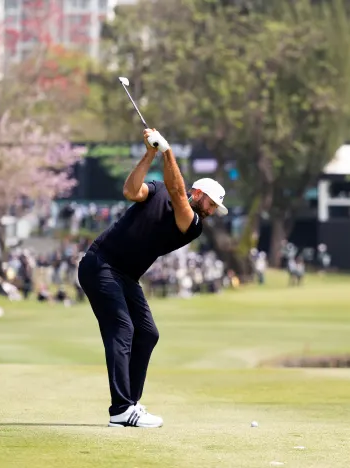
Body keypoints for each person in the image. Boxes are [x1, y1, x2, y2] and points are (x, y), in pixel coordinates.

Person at [78, 128, 228, 428]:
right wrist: (150, 153)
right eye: (211, 203)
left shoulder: (193, 223)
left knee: (147, 333)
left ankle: (130, 403)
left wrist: (167, 151)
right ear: (198, 193)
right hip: (101, 264)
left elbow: (176, 193)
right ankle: (121, 409)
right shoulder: (157, 189)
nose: (212, 211)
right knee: (123, 329)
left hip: (126, 276)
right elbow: (131, 191)